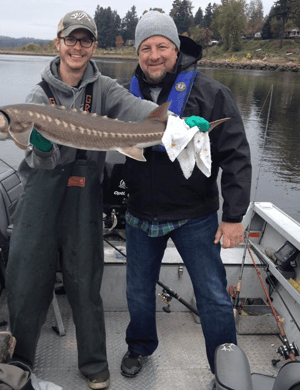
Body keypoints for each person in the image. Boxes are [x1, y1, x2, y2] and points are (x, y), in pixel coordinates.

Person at [5, 10, 207, 390]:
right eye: (71, 39)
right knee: (27, 280)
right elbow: (34, 160)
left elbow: (140, 111)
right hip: (41, 195)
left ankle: (94, 364)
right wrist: (43, 147)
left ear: (93, 46)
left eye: (85, 40)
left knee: (85, 282)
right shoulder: (38, 95)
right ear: (59, 42)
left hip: (84, 196)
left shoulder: (105, 89)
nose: (77, 47)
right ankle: (20, 363)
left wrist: (176, 125)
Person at [120, 11, 252, 378]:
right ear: (137, 53)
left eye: (162, 45)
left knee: (212, 295)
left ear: (176, 50)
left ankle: (224, 367)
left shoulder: (211, 93)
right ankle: (139, 347)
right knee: (138, 292)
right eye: (145, 47)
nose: (154, 54)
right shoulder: (121, 96)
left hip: (196, 214)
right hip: (139, 213)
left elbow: (237, 157)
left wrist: (233, 217)